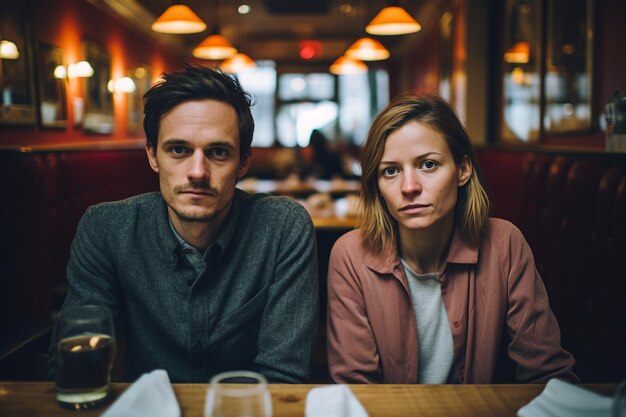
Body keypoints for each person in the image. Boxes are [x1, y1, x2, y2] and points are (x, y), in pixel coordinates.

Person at [49, 65, 319, 383]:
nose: (197, 172)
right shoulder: (107, 228)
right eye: (179, 150)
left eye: (218, 152)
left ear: (243, 162)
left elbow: (283, 377)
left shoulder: (282, 228)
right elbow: (73, 368)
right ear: (152, 155)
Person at [326, 93, 578, 384]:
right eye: (391, 171)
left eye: (428, 165)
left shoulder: (504, 243)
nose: (409, 187)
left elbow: (547, 375)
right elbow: (356, 390)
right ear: (377, 184)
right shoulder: (350, 255)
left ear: (463, 170)